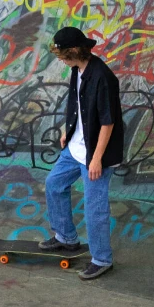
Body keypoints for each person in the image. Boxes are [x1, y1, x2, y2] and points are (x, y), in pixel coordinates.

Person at [40, 25, 124, 281]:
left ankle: (102, 259)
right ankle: (66, 237)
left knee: (94, 209)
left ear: (75, 51)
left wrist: (97, 159)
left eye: (63, 55)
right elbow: (76, 104)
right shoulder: (77, 70)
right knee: (54, 184)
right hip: (75, 147)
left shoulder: (103, 77)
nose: (61, 60)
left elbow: (108, 122)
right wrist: (67, 130)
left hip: (95, 154)